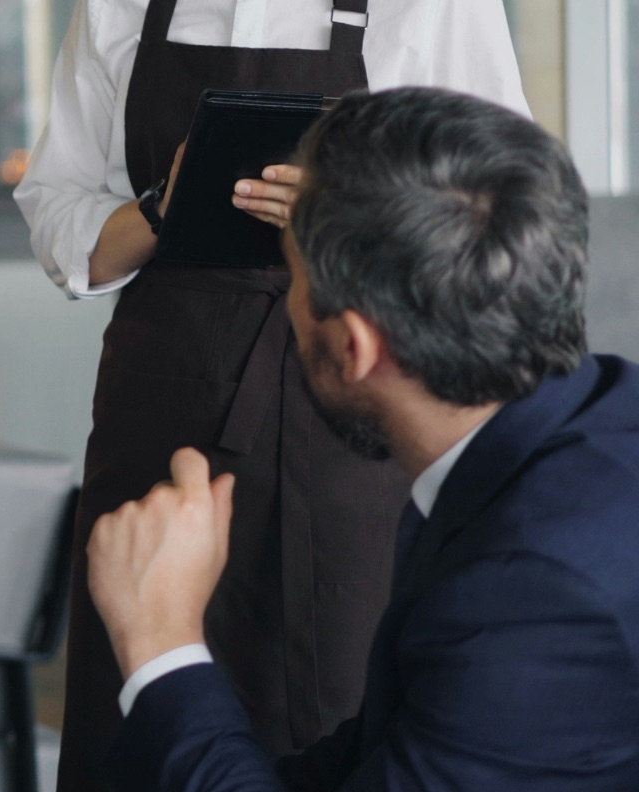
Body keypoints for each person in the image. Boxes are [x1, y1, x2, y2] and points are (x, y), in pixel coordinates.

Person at [11, 0, 531, 783]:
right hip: (162, 396)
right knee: (132, 716)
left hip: (353, 413)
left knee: (328, 702)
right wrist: (172, 205)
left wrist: (364, 207)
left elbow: (501, 233)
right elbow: (59, 206)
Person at [90, 87, 639, 790]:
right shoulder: (565, 434)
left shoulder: (534, 595)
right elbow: (390, 755)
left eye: (291, 276)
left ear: (355, 346)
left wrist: (160, 643)